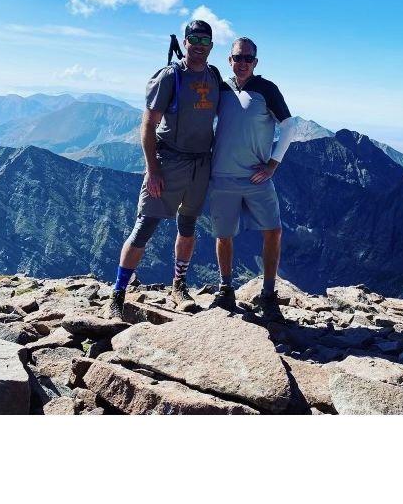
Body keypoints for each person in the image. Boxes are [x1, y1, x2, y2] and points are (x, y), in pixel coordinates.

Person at [106, 20, 220, 319]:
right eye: (193, 39)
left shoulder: (214, 75)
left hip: (200, 163)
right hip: (169, 163)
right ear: (184, 42)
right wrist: (153, 169)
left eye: (204, 40)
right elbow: (147, 124)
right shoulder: (171, 76)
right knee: (145, 226)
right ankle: (117, 293)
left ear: (211, 45)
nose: (198, 45)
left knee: (188, 225)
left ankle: (178, 286)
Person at [208, 37, 297, 321]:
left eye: (248, 58)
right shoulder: (221, 89)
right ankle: (225, 289)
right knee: (224, 235)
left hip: (256, 177)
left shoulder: (266, 89)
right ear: (229, 60)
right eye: (238, 57)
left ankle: (268, 294)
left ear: (255, 62)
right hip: (222, 176)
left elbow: (289, 126)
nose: (242, 62)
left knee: (273, 231)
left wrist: (273, 164)